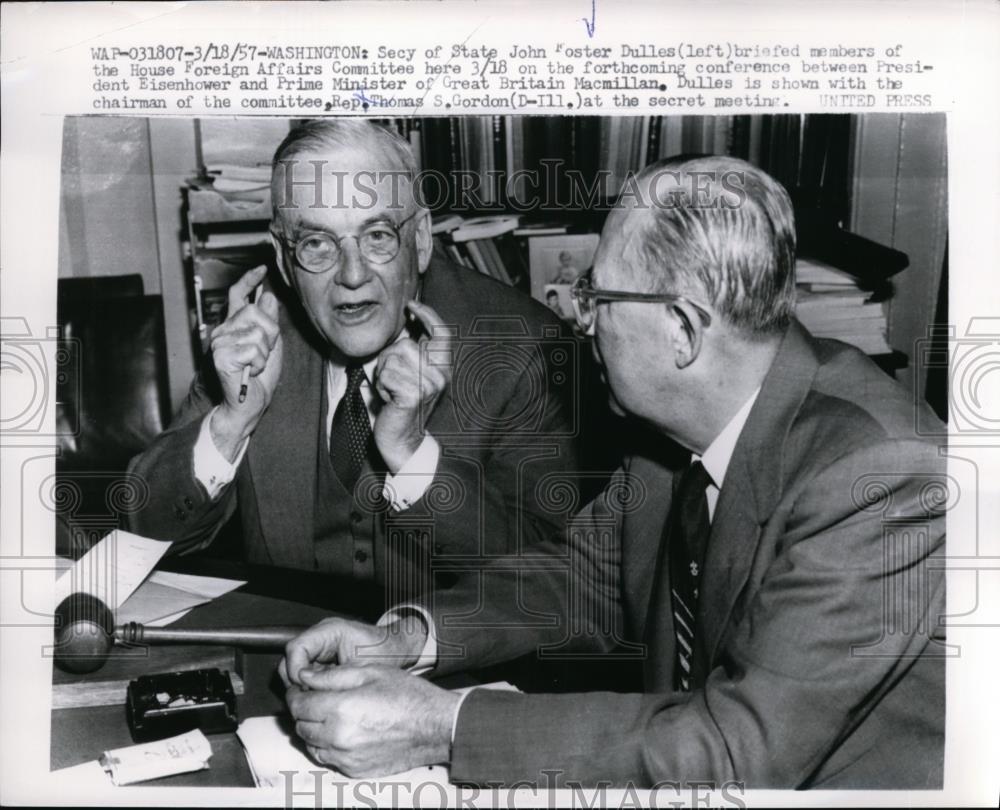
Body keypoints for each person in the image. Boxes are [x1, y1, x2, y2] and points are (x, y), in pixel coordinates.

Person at [279, 156, 947, 789]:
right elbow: (579, 583)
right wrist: (402, 640)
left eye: (595, 295)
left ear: (683, 330)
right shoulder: (670, 437)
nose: (578, 315)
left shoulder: (882, 478)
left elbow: (733, 753)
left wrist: (440, 727)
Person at [128, 119, 579, 600]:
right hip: (285, 652)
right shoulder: (255, 335)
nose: (352, 274)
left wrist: (413, 457)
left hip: (444, 666)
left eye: (378, 235)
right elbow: (144, 536)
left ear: (421, 240)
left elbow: (553, 584)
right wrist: (231, 422)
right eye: (317, 243)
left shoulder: (523, 347)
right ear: (284, 258)